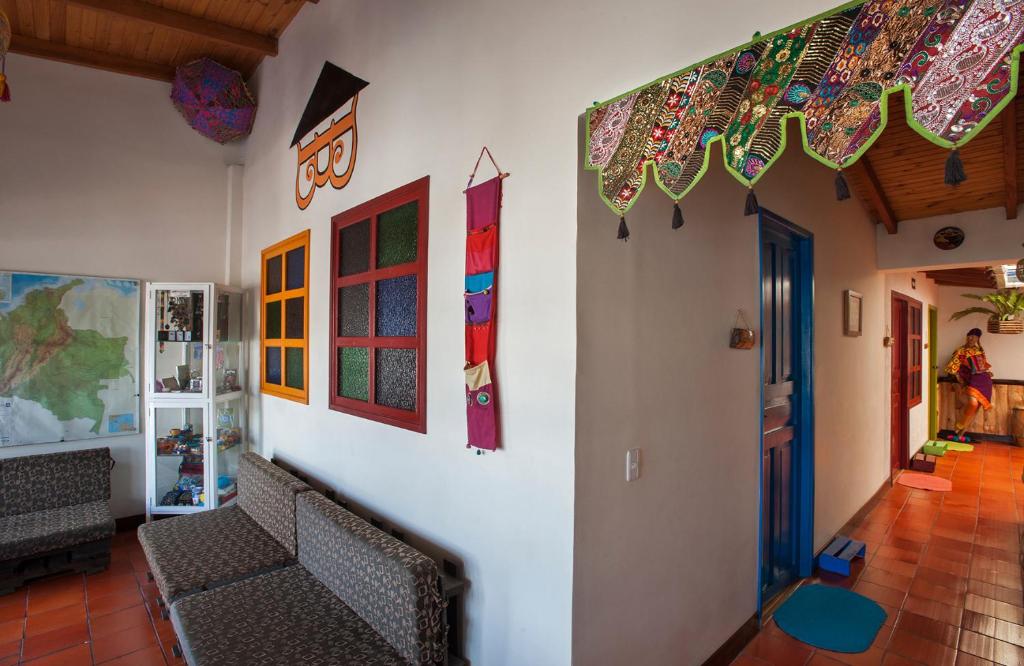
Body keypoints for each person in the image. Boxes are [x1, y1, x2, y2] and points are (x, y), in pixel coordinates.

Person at [944, 327, 993, 440]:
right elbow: (952, 367)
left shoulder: (980, 350)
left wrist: (988, 371)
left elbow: (983, 365)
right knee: (973, 404)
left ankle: (960, 434)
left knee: (976, 408)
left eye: (975, 336)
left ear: (978, 338)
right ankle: (959, 425)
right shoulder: (960, 350)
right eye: (970, 335)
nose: (971, 338)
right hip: (972, 381)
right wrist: (958, 379)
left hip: (985, 380)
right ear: (967, 337)